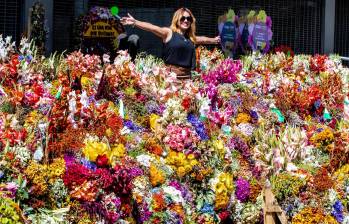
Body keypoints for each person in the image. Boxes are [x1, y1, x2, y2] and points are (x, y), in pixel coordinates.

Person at [121, 7, 220, 79]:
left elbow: (202, 39)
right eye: (183, 18)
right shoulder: (169, 33)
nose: (186, 21)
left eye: (188, 19)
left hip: (187, 78)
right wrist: (135, 22)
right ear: (177, 19)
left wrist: (214, 40)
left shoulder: (190, 38)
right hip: (171, 78)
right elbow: (152, 28)